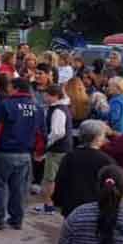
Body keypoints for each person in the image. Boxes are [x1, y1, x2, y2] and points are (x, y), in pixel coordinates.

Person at [0, 78, 46, 230]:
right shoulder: (38, 107)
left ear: (15, 88)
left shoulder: (6, 105)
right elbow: (42, 133)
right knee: (19, 189)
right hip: (25, 155)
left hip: (3, 152)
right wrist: (39, 152)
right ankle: (16, 219)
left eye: (9, 86)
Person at [51, 120, 115, 217]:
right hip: (93, 208)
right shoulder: (106, 160)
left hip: (71, 205)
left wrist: (57, 201)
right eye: (103, 135)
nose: (104, 138)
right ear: (96, 138)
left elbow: (60, 180)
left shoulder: (70, 156)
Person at [34, 85, 72, 215]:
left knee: (49, 178)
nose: (45, 97)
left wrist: (45, 144)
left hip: (57, 149)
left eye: (47, 95)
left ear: (55, 96)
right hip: (63, 148)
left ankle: (48, 205)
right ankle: (54, 203)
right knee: (56, 178)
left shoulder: (58, 110)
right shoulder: (62, 108)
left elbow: (58, 132)